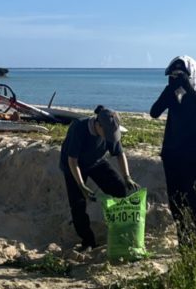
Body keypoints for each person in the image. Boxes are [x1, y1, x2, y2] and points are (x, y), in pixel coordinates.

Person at [150, 55, 196, 252]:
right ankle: (184, 248)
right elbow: (154, 112)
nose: (177, 78)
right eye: (173, 74)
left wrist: (188, 88)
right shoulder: (172, 93)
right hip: (173, 155)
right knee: (178, 205)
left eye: (181, 74)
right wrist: (170, 90)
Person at [59, 105, 138, 251]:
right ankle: (88, 242)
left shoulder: (110, 129)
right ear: (98, 125)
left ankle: (119, 229)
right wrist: (81, 185)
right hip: (73, 166)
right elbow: (72, 161)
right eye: (107, 134)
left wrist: (127, 176)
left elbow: (120, 154)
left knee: (119, 188)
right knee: (78, 204)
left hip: (95, 161)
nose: (109, 137)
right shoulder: (79, 127)